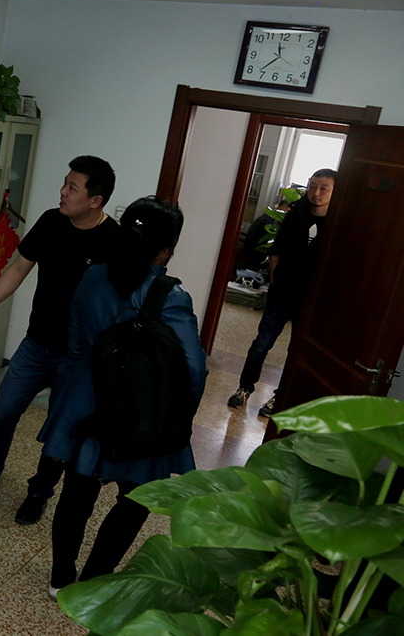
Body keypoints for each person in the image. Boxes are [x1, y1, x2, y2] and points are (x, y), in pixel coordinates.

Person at [43, 196, 206, 597]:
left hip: (87, 399)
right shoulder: (170, 296)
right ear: (166, 249)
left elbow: (74, 345)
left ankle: (60, 578)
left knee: (76, 493)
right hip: (142, 411)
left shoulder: (92, 276)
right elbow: (193, 370)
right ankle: (94, 582)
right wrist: (177, 416)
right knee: (135, 499)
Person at [0, 156, 120, 526]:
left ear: (95, 200)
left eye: (72, 188)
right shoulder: (51, 221)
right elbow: (18, 268)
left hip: (76, 357)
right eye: (65, 183)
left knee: (59, 432)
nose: (62, 192)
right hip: (36, 344)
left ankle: (39, 493)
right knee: (1, 413)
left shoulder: (114, 241)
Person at [228, 169, 336, 417]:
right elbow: (278, 247)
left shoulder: (336, 221)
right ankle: (244, 388)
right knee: (261, 343)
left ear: (334, 192)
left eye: (324, 188)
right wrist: (275, 275)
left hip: (309, 298)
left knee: (296, 351)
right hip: (282, 290)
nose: (316, 193)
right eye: (313, 186)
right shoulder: (296, 213)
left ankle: (281, 396)